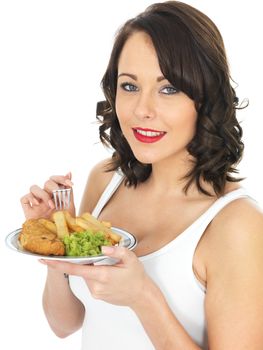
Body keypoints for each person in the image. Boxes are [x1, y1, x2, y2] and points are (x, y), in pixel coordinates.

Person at [20, 1, 263, 349]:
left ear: (206, 97)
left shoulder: (237, 225)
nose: (142, 110)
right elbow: (64, 323)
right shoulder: (105, 181)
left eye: (169, 89)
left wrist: (143, 297)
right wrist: (60, 242)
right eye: (130, 86)